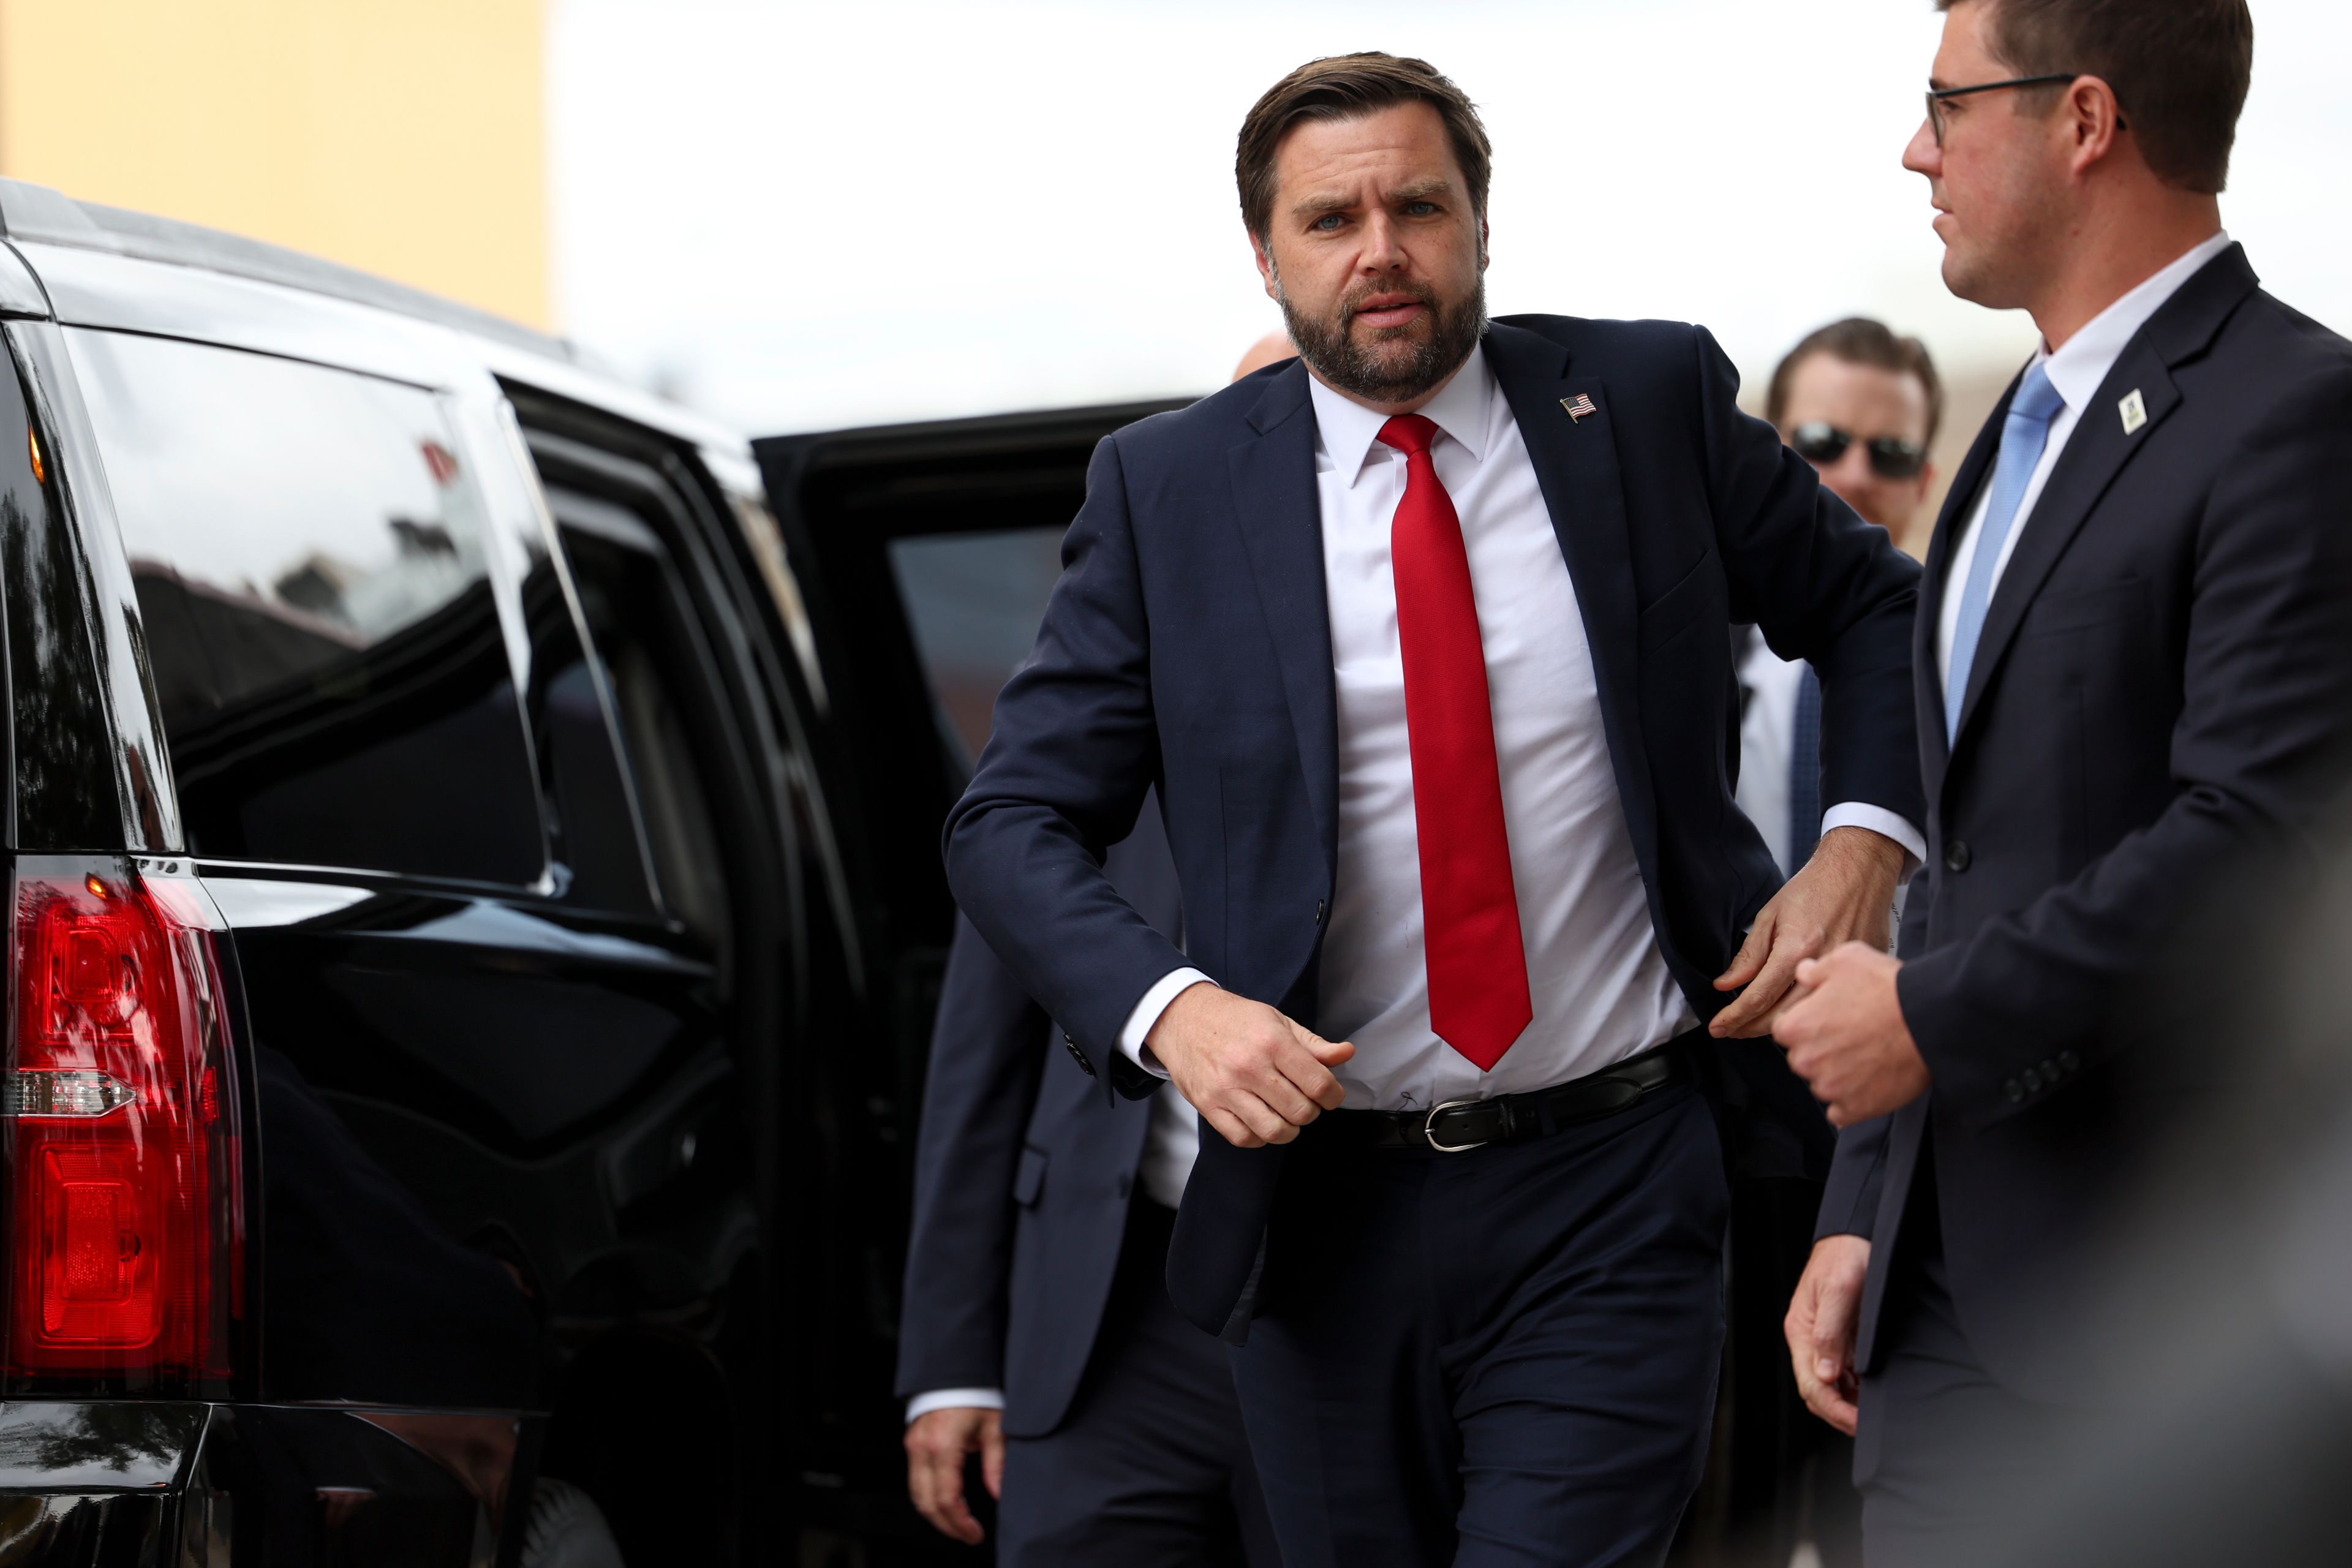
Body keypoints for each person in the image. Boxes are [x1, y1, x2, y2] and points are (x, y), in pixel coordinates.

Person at [945, 51, 1924, 1566]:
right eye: (1330, 218)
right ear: (1268, 256)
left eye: (1416, 203)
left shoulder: (1644, 404)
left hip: (1615, 1181)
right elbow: (1007, 825)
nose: (1380, 247)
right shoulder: (1168, 490)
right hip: (1318, 1212)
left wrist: (1862, 841)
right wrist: (1175, 1010)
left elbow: (1873, 607)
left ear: (1477, 222)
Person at [1773, 2, 2352, 1562]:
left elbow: (2252, 842)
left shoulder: (2294, 411)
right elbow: (1966, 860)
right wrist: (1858, 1209)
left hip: (2149, 1300)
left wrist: (1923, 1023)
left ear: (2081, 120)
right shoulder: (2007, 441)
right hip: (1939, 1309)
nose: (1917, 149)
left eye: (1944, 104)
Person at [1740, 321, 1943, 880]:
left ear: (1924, 483)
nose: (1856, 477)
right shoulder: (1683, 645)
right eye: (1823, 443)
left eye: (1893, 453)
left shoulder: (1975, 660)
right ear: (1766, 454)